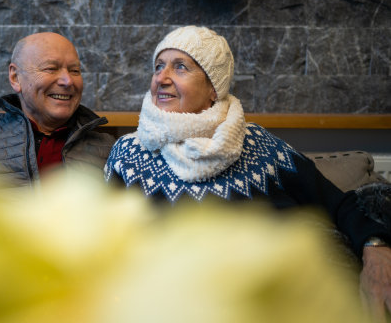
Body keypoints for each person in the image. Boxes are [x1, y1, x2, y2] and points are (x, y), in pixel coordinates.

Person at [104, 26, 391, 321]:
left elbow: (340, 204)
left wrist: (376, 248)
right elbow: (102, 244)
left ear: (213, 88)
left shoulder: (259, 146)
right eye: (158, 67)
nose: (161, 78)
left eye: (180, 67)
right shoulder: (128, 154)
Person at [0, 32, 115, 186]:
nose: (67, 81)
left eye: (75, 71)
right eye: (51, 68)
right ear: (15, 78)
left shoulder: (111, 149)